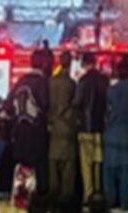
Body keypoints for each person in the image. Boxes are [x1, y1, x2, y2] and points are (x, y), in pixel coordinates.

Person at [6, 49, 50, 201]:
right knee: (39, 167)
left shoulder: (20, 81)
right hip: (36, 132)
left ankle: (20, 198)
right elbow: (45, 105)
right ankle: (37, 199)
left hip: (20, 132)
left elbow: (8, 106)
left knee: (22, 167)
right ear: (44, 64)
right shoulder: (42, 82)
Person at [76, 52, 109, 203]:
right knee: (98, 161)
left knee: (86, 164)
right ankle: (98, 192)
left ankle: (87, 195)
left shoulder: (82, 81)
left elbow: (77, 102)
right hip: (100, 127)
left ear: (84, 63)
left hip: (85, 127)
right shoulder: (104, 80)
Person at [104, 60, 128, 210]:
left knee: (109, 171)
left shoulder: (110, 90)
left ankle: (110, 201)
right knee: (126, 172)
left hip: (110, 134)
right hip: (127, 134)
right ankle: (124, 204)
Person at [48, 50, 78, 206]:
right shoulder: (71, 84)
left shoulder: (50, 82)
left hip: (53, 129)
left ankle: (53, 200)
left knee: (53, 166)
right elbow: (75, 104)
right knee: (68, 168)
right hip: (67, 128)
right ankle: (66, 202)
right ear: (70, 63)